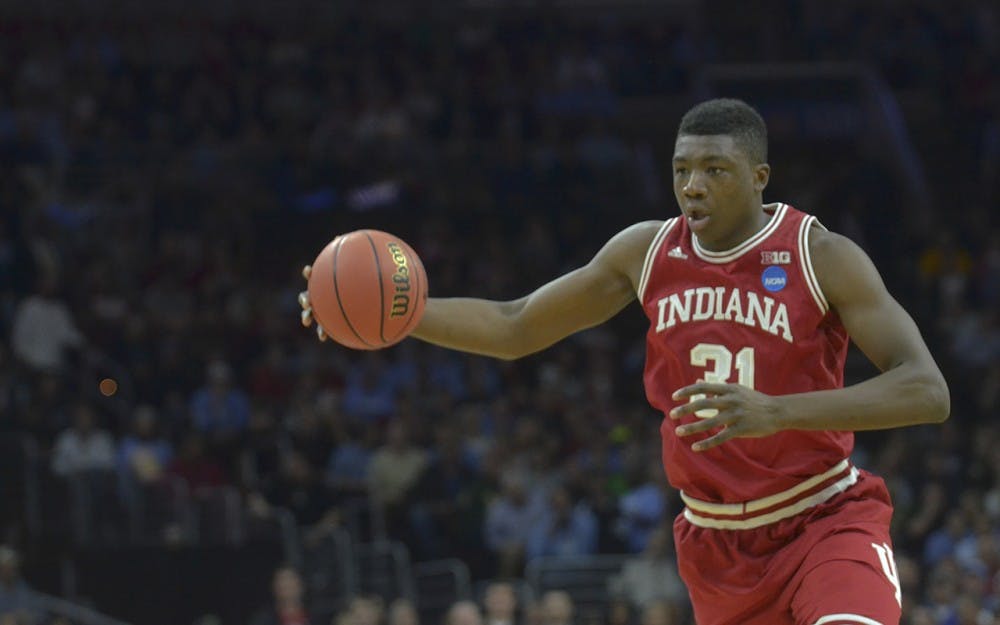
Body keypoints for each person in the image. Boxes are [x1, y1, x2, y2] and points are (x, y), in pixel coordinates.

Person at [300, 98, 950, 625]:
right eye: (681, 169)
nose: (693, 186)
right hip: (718, 545)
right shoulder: (645, 252)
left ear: (758, 177)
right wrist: (399, 315)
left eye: (715, 170)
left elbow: (926, 389)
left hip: (822, 518)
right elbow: (514, 324)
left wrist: (775, 412)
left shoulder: (820, 254)